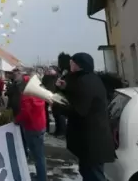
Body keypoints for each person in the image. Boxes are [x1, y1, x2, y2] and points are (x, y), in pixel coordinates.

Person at [57, 52, 115, 181]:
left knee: (94, 175)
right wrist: (64, 89)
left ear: (80, 65)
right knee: (89, 173)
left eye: (73, 62)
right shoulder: (88, 78)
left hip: (92, 142)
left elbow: (79, 110)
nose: (70, 64)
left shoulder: (85, 81)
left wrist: (57, 104)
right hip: (90, 141)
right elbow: (78, 96)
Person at [15, 72, 47, 181]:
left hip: (31, 127)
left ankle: (41, 178)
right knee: (40, 154)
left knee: (37, 155)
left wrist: (17, 121)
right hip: (41, 125)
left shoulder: (27, 95)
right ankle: (41, 176)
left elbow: (25, 112)